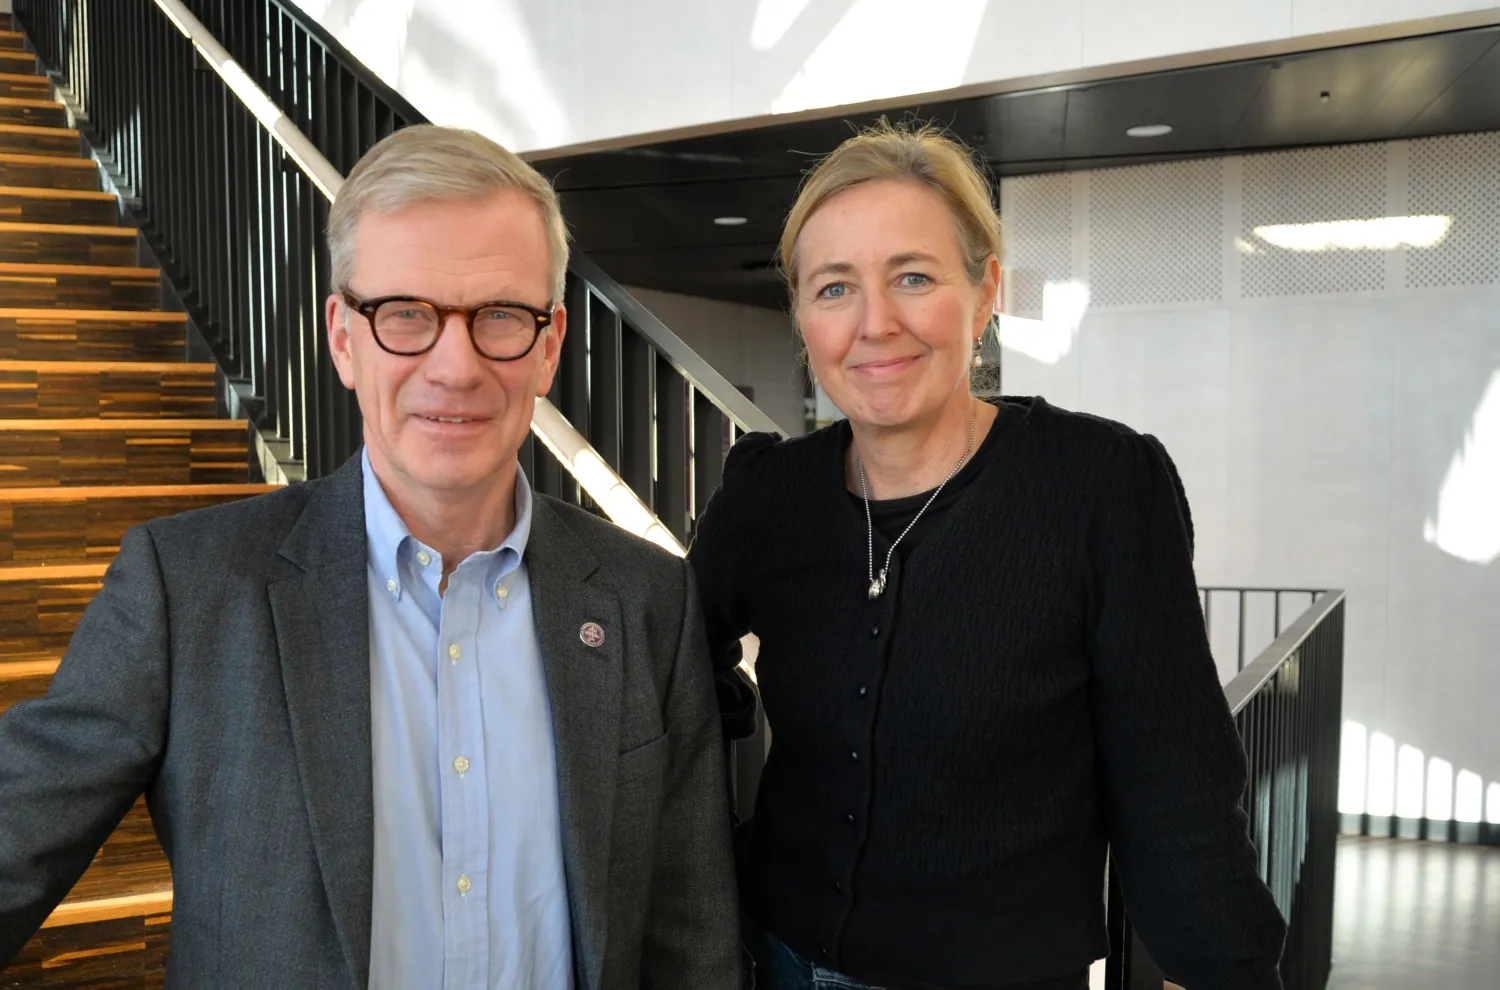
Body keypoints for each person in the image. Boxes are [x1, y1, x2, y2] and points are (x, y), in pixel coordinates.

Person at [0, 125, 743, 989]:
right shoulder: (188, 588)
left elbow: (691, 941)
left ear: (548, 345)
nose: (456, 367)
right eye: (406, 316)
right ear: (344, 338)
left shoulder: (646, 598)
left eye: (500, 315)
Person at [689, 120, 1287, 990]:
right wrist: (729, 714)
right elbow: (670, 662)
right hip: (774, 958)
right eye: (833, 289)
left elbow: (1175, 781)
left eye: (914, 277)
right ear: (801, 316)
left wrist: (1224, 969)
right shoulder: (768, 492)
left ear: (986, 291)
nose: (875, 324)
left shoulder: (1098, 485)